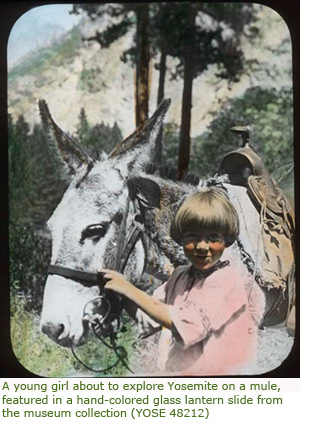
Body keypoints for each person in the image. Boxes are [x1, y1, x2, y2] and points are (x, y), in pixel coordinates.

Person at [100, 187, 265, 375]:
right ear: (181, 238)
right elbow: (149, 313)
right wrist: (119, 296)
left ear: (226, 239)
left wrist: (128, 289)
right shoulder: (180, 276)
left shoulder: (227, 280)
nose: (203, 247)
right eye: (193, 236)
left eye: (213, 237)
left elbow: (188, 324)